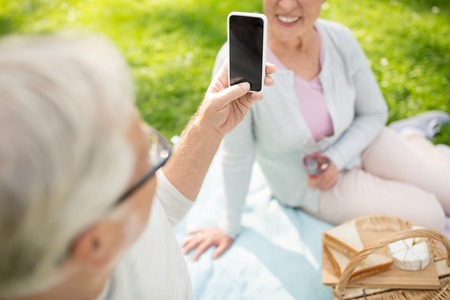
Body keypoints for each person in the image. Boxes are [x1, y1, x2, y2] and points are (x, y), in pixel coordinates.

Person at [0, 32, 275, 299]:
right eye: (149, 162)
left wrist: (208, 127)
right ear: (96, 246)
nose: (158, 161)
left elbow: (160, 207)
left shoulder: (107, 224)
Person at [182, 0, 450, 261]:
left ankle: (412, 139)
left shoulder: (339, 39)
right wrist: (228, 226)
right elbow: (236, 154)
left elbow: (373, 112)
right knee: (432, 216)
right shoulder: (237, 61)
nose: (286, 5)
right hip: (310, 183)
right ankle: (412, 140)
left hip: (362, 140)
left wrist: (338, 157)